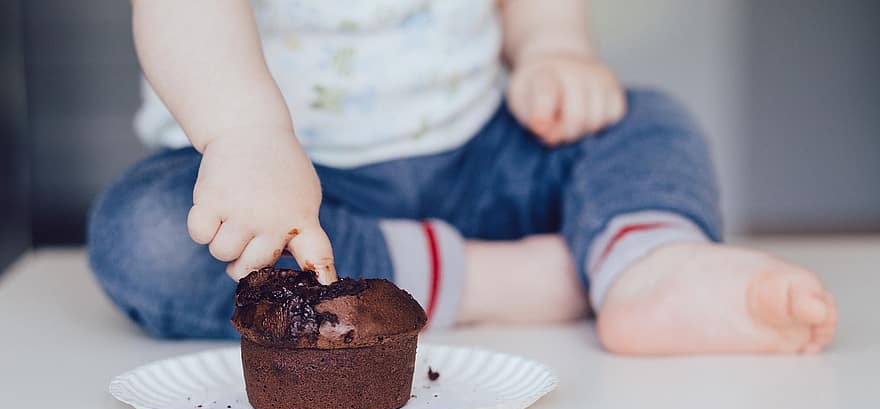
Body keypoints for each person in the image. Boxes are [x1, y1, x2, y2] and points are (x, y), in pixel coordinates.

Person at [88, 0, 837, 355]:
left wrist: (553, 47)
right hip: (295, 200)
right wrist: (244, 135)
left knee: (644, 119)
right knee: (148, 233)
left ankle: (652, 262)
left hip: (479, 160)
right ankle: (498, 281)